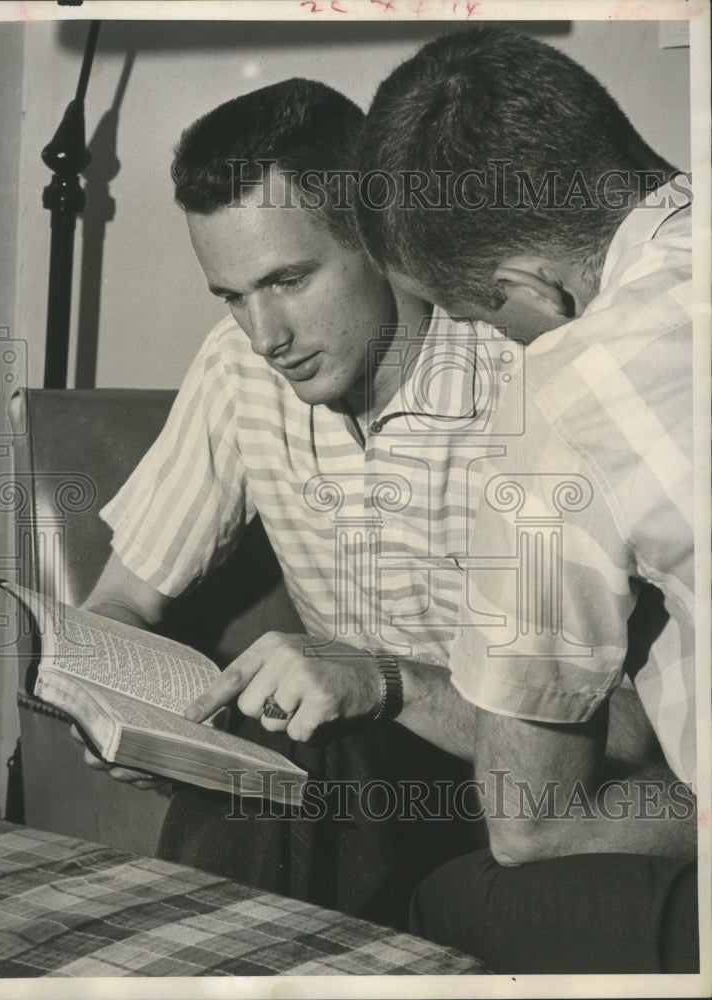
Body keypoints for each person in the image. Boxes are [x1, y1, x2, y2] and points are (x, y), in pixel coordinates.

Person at [78, 76, 501, 929]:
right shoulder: (238, 370)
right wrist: (115, 699)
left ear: (382, 235)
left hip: (509, 778)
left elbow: (613, 728)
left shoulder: (514, 375)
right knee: (284, 740)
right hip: (342, 785)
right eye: (232, 297)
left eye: (289, 279)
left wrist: (381, 685)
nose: (265, 336)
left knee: (317, 741)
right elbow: (122, 599)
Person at [355, 26, 698, 971]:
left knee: (456, 895)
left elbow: (532, 823)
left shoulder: (567, 383)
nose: (501, 344)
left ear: (533, 288)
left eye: (484, 321)